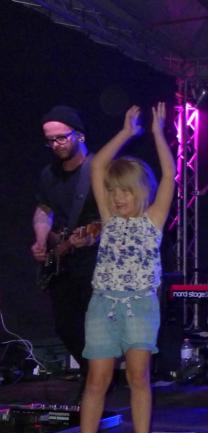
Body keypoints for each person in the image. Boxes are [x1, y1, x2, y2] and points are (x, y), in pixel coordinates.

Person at [63, 103, 175, 433]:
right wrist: (126, 132)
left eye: (124, 191)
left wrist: (157, 134)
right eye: (112, 192)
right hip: (103, 306)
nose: (116, 198)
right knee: (97, 379)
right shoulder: (108, 219)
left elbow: (170, 175)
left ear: (141, 191)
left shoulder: (153, 219)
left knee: (138, 376)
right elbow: (97, 166)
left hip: (141, 306)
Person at [31, 106, 99, 380]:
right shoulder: (49, 174)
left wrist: (92, 234)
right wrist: (40, 240)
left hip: (94, 261)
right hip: (62, 261)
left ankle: (96, 379)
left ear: (79, 135)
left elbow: (112, 216)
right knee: (65, 326)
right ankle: (91, 373)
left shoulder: (98, 170)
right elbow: (44, 208)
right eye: (50, 140)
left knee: (93, 324)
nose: (56, 144)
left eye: (61, 137)